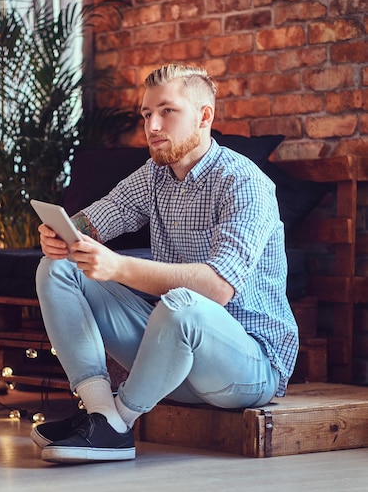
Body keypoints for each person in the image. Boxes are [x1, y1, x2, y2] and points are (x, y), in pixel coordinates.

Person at [31, 64, 299, 464]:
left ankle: (116, 426)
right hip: (171, 362)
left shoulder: (244, 182)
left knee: (183, 305)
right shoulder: (155, 175)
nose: (152, 125)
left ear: (204, 116)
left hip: (247, 368)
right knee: (57, 268)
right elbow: (99, 217)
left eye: (167, 112)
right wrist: (63, 234)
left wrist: (117, 267)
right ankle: (102, 414)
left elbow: (217, 288)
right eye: (145, 114)